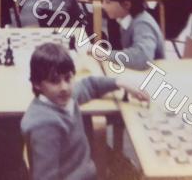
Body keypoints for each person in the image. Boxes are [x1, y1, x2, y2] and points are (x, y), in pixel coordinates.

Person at [21, 43, 149, 180]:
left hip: (86, 171)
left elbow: (89, 85)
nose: (64, 87)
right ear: (37, 84)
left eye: (68, 78)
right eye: (54, 81)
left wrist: (120, 83)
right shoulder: (44, 126)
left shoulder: (62, 98)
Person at [98, 0, 165, 70]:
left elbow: (142, 58)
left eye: (107, 2)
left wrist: (105, 54)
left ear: (126, 4)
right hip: (137, 73)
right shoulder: (125, 19)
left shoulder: (142, 24)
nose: (103, 6)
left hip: (152, 76)